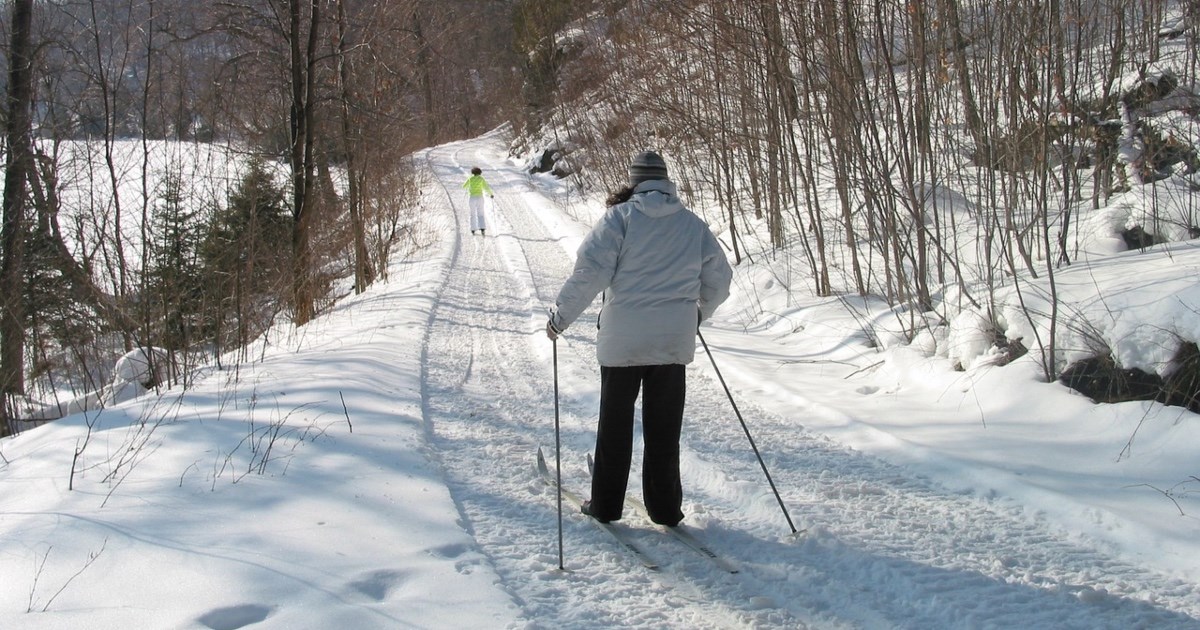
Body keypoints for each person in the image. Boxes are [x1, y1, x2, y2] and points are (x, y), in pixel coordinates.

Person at [545, 150, 732, 527]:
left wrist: (559, 319)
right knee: (664, 430)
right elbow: (720, 280)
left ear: (635, 181)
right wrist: (696, 314)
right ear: (665, 180)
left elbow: (590, 275)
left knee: (614, 427)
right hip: (671, 344)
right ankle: (665, 510)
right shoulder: (692, 225)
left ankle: (606, 505)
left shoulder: (619, 218)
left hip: (622, 344)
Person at [462, 167, 495, 235]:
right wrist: (491, 194)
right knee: (480, 213)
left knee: (472, 213)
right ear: (480, 172)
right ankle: (482, 228)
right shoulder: (481, 179)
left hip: (472, 198)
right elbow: (486, 187)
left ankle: (473, 229)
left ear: (472, 172)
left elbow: (464, 186)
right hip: (480, 197)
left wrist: (469, 186)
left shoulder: (470, 178)